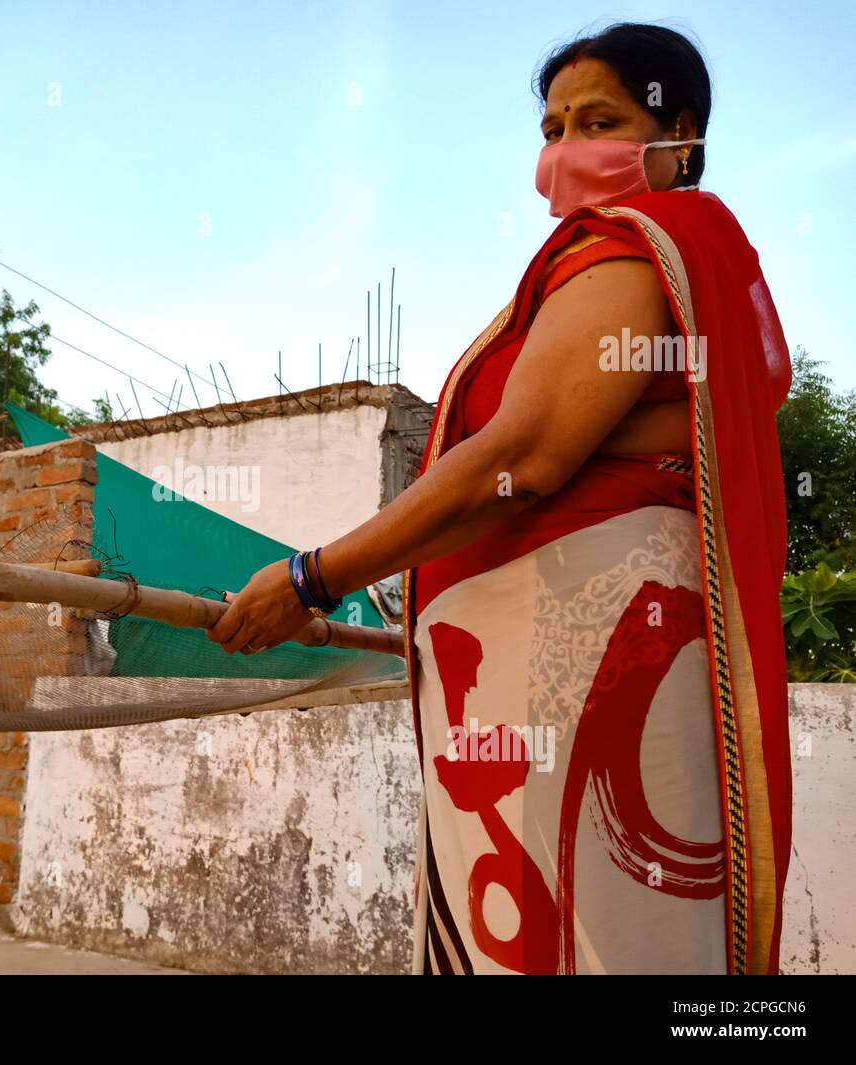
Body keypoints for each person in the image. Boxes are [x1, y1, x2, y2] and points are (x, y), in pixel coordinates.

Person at [208, 22, 792, 975]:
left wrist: (313, 579)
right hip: (550, 670)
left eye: (599, 119)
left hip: (592, 658)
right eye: (553, 126)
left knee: (587, 934)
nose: (565, 150)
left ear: (678, 132)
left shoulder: (641, 244)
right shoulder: (620, 266)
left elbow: (524, 454)